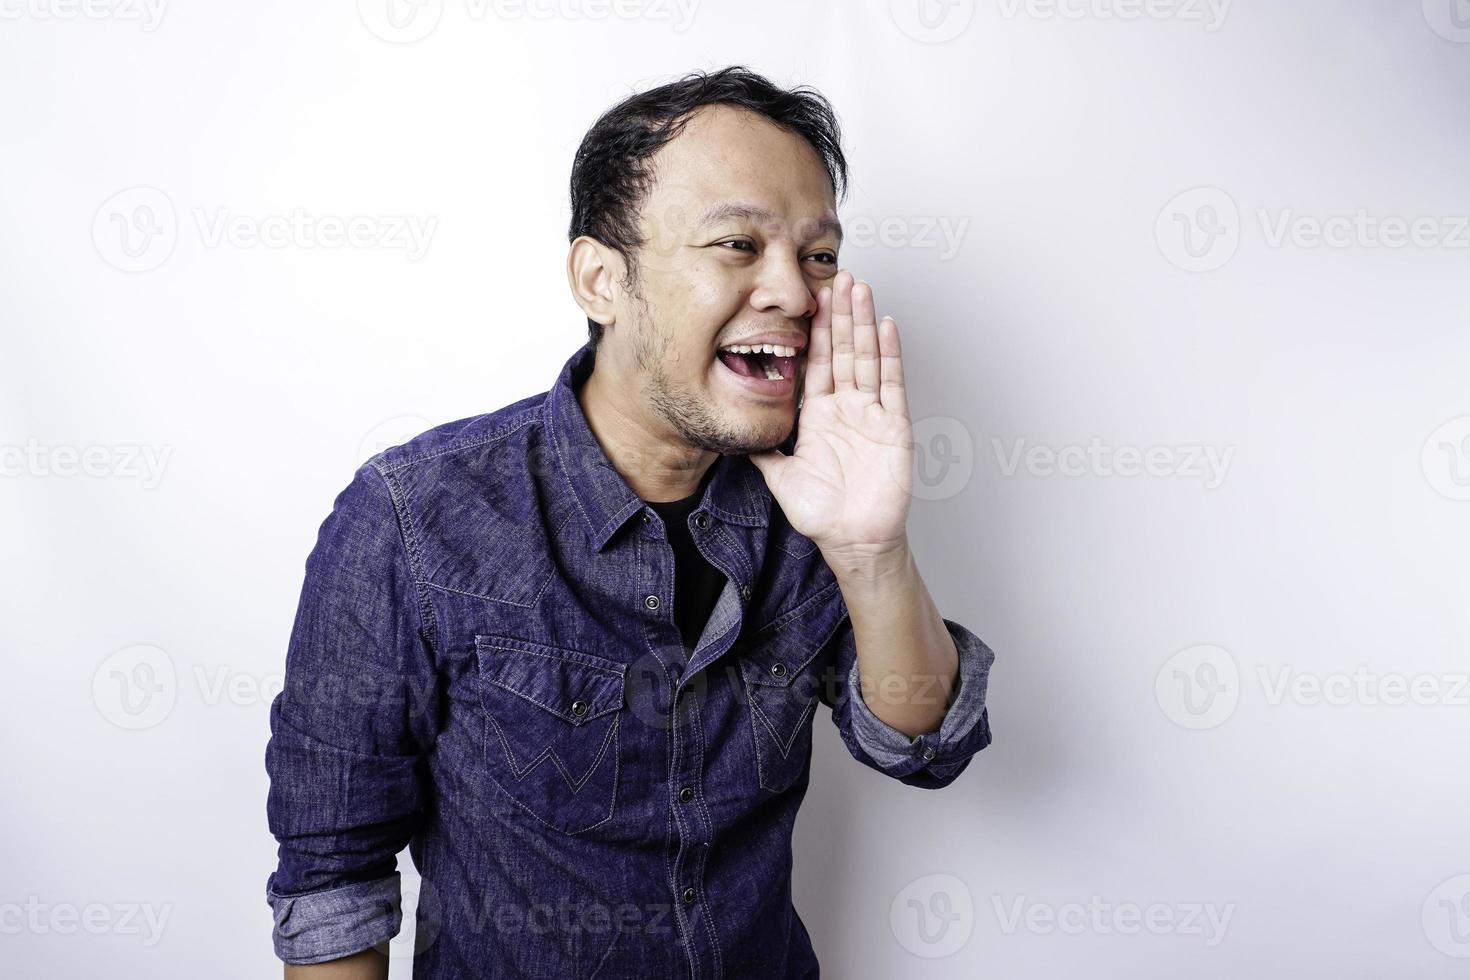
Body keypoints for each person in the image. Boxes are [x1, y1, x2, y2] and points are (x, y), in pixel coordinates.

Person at [264, 65, 996, 979]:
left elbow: (924, 744)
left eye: (817, 256)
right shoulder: (413, 519)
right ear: (601, 279)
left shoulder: (810, 498)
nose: (799, 295)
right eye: (738, 244)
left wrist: (870, 549)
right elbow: (334, 884)